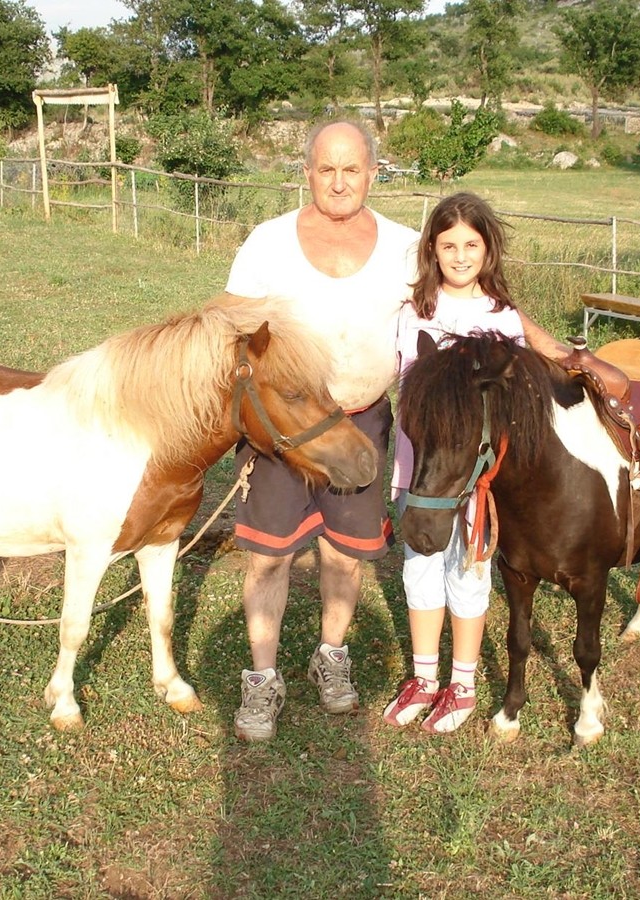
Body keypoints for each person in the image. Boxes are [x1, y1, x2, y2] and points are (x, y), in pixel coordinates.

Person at [225, 120, 420, 742]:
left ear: (372, 171)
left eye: (352, 169)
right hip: (284, 431)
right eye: (326, 169)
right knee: (269, 554)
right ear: (306, 171)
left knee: (345, 554)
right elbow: (232, 330)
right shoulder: (267, 243)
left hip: (361, 426)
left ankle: (331, 656)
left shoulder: (406, 248)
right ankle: (262, 677)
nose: (339, 182)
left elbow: (443, 325)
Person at [383, 192, 570, 734]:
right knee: (420, 568)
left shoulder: (503, 318)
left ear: (487, 251)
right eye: (448, 246)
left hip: (479, 481)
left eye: (471, 244)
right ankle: (423, 677)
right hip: (421, 473)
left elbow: (516, 404)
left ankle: (461, 683)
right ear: (432, 251)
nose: (460, 256)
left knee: (468, 571)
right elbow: (404, 392)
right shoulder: (412, 314)